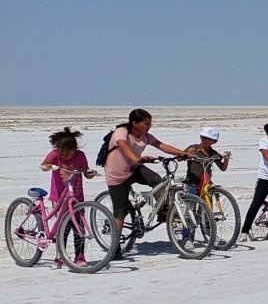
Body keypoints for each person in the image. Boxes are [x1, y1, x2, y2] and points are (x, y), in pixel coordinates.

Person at [103, 109, 191, 240]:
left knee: (157, 181)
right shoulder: (121, 132)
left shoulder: (145, 136)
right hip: (117, 174)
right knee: (120, 210)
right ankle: (115, 246)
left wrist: (182, 153)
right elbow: (124, 146)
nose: (149, 126)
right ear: (134, 123)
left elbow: (161, 145)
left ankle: (163, 211)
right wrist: (137, 158)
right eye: (146, 124)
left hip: (134, 169)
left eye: (150, 124)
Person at [41, 128, 96, 263]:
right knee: (63, 227)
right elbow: (43, 165)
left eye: (69, 152)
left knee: (79, 226)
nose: (65, 155)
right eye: (62, 152)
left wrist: (90, 173)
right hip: (59, 196)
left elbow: (85, 171)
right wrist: (49, 167)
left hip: (76, 196)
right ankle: (60, 256)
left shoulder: (80, 156)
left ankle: (80, 256)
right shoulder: (54, 155)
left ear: (75, 148)